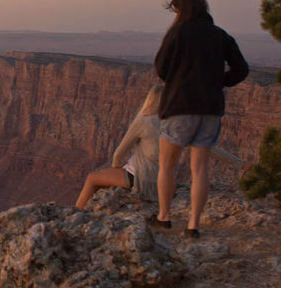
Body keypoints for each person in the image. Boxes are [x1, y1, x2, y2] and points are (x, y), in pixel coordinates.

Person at [148, 0, 248, 238]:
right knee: (200, 168)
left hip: (180, 107)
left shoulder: (178, 33)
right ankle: (193, 225)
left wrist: (179, 80)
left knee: (167, 166)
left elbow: (161, 67)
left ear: (179, 8)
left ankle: (164, 217)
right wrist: (218, 82)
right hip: (210, 109)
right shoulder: (220, 35)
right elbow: (241, 69)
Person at [74, 84, 244, 209]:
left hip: (138, 179)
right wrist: (240, 163)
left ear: (150, 101)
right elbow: (209, 148)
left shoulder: (143, 122)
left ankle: (75, 214)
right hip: (164, 183)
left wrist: (117, 171)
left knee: (92, 178)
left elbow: (118, 155)